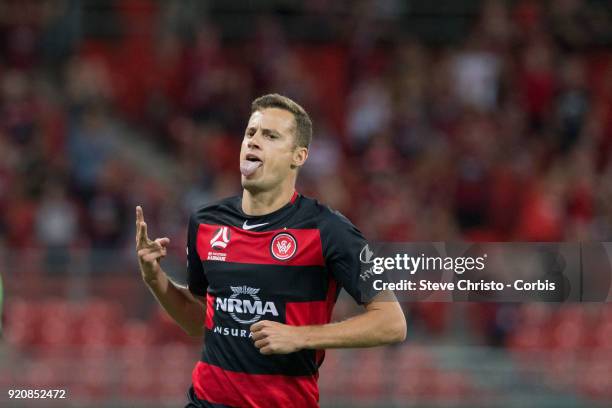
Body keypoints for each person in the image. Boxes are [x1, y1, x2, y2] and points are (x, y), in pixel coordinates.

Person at [135, 94, 406, 408]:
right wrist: (156, 279)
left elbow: (391, 323)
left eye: (270, 135)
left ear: (298, 156)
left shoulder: (329, 229)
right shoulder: (206, 222)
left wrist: (300, 336)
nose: (254, 141)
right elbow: (199, 321)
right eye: (251, 133)